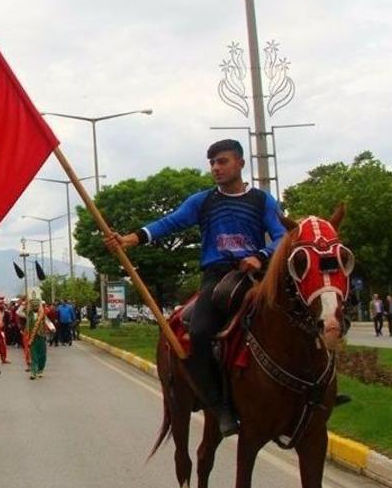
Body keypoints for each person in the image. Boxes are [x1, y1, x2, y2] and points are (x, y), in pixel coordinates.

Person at [105, 139, 287, 437]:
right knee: (200, 333)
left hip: (259, 275)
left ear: (241, 163)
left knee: (305, 317)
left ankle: (314, 393)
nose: (216, 168)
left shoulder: (262, 200)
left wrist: (262, 255)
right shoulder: (202, 201)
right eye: (212, 162)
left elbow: (283, 235)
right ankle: (219, 406)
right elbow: (169, 223)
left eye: (222, 161)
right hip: (218, 279)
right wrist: (130, 239)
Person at [26, 289, 52, 379]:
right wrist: (27, 302)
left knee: (42, 355)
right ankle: (34, 372)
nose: (35, 307)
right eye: (33, 305)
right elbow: (19, 312)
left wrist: (52, 329)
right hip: (32, 338)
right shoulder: (28, 315)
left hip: (41, 337)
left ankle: (40, 370)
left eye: (36, 305)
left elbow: (48, 323)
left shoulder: (42, 315)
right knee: (33, 355)